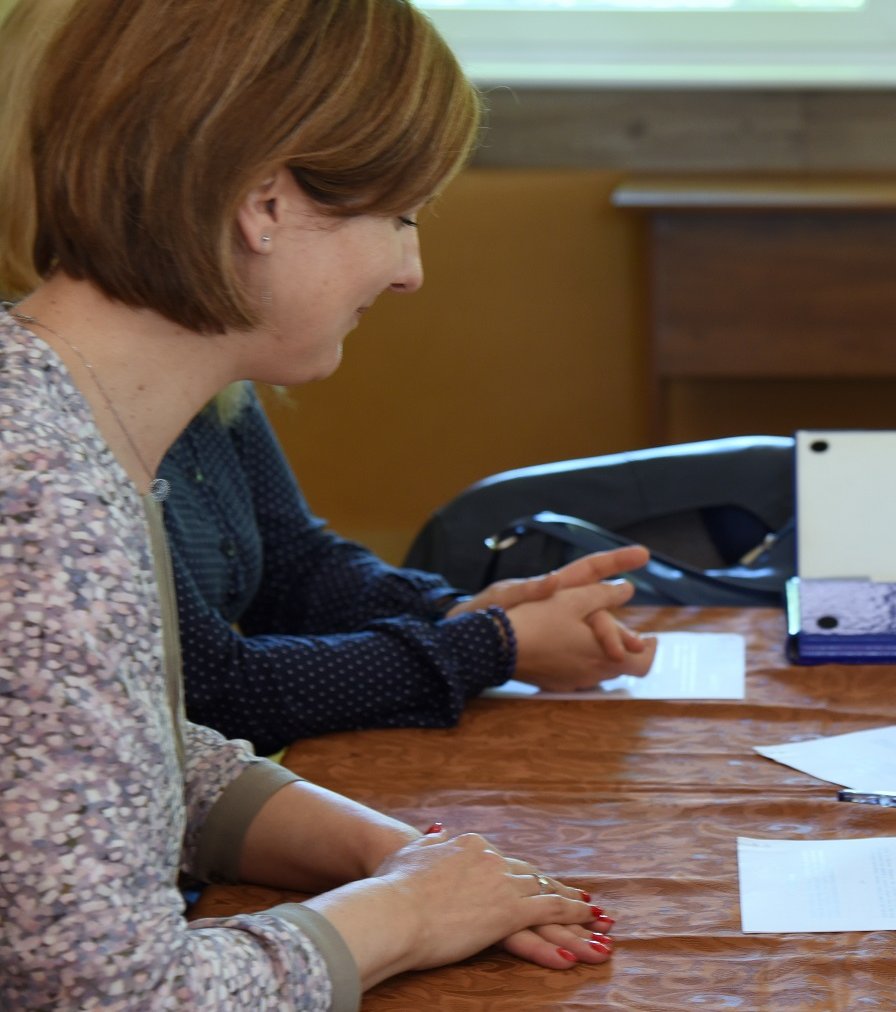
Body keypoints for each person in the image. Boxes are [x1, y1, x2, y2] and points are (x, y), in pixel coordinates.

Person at [0, 0, 616, 1006]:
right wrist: (406, 913)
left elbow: (108, 773)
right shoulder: (35, 492)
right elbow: (114, 995)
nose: (411, 270)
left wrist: (411, 854)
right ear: (263, 202)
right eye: (400, 215)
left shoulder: (64, 415)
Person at [161, 385, 657, 755]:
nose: (409, 274)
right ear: (250, 238)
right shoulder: (93, 436)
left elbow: (294, 568)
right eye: (394, 236)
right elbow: (209, 695)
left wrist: (453, 610)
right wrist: (490, 643)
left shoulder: (220, 390)